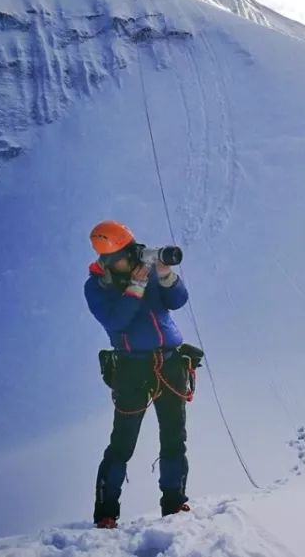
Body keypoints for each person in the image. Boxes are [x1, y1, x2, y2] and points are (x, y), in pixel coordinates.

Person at [84, 220, 193, 528]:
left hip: (170, 362)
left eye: (132, 252)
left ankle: (175, 503)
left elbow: (178, 301)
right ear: (106, 260)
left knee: (175, 436)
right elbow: (115, 320)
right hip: (132, 368)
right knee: (123, 442)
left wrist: (165, 275)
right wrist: (136, 287)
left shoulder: (146, 268)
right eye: (123, 255)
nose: (132, 259)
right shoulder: (96, 287)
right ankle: (106, 512)